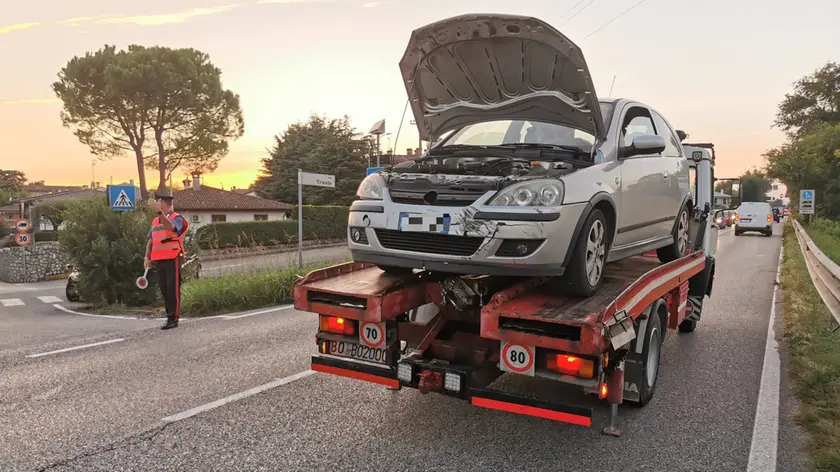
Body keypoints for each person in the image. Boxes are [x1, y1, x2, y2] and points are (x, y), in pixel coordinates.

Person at [144, 190, 189, 330]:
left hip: (172, 256)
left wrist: (159, 212)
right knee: (164, 288)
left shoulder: (177, 218)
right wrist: (147, 257)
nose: (156, 204)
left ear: (163, 203)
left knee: (172, 288)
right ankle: (169, 317)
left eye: (158, 202)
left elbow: (171, 227)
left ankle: (173, 318)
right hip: (159, 258)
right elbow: (151, 240)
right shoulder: (155, 221)